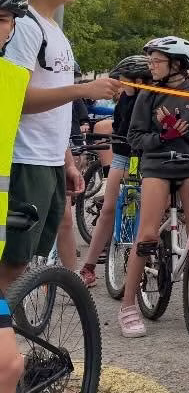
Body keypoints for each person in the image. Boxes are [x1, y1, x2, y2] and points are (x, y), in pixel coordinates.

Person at [1, 0, 119, 293]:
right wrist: (83, 90)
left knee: (24, 260)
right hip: (25, 159)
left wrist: (66, 159)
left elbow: (56, 108)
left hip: (48, 159)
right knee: (13, 262)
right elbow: (16, 101)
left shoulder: (53, 29)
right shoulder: (24, 27)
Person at [118, 36, 189, 338]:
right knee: (147, 234)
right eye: (150, 60)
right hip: (157, 165)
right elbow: (135, 138)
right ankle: (127, 305)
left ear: (177, 64)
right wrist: (163, 136)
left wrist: (187, 130)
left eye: (157, 61)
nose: (151, 66)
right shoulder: (148, 93)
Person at [0, 0, 35, 393]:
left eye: (5, 18)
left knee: (8, 364)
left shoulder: (10, 79)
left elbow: (40, 113)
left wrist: (72, 160)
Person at [78, 55, 149, 288]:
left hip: (145, 158)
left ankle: (144, 259)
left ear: (139, 80)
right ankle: (89, 267)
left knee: (147, 209)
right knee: (109, 208)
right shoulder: (124, 101)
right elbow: (117, 129)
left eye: (123, 79)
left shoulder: (149, 99)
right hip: (124, 156)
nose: (119, 84)